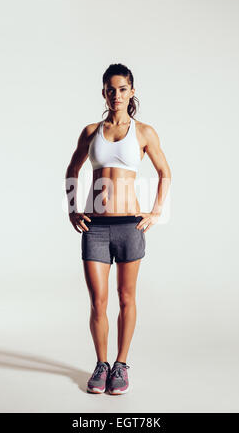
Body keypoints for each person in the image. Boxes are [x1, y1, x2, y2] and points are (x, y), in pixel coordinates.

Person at [65, 63, 171, 395]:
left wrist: (155, 212)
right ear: (103, 93)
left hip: (129, 226)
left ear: (132, 91)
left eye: (123, 88)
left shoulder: (144, 132)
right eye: (111, 89)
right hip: (95, 227)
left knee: (126, 298)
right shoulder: (91, 131)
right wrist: (73, 209)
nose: (116, 95)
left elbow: (165, 172)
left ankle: (121, 365)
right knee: (98, 301)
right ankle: (101, 364)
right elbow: (72, 168)